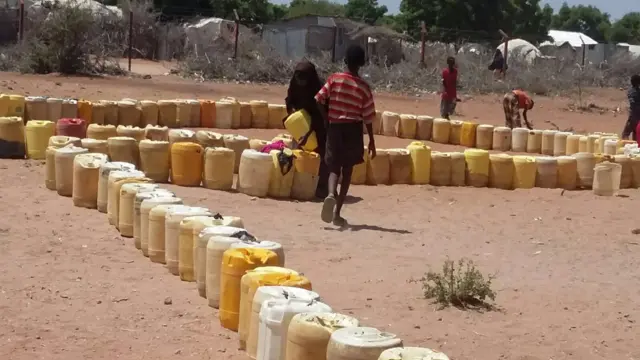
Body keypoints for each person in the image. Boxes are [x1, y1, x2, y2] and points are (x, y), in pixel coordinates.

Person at [315, 44, 376, 226]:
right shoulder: (364, 87)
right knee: (347, 171)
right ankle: (337, 214)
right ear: (362, 63)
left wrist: (326, 118)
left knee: (333, 167)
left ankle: (330, 194)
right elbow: (368, 117)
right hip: (353, 130)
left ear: (345, 61)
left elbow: (318, 99)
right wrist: (372, 140)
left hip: (335, 127)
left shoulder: (334, 79)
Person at [284, 60, 329, 198]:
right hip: (302, 122)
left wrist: (308, 133)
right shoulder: (294, 85)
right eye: (297, 78)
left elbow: (320, 114)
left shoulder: (318, 88)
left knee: (320, 153)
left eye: (303, 78)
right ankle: (301, 185)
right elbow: (289, 99)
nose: (300, 81)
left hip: (319, 123)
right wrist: (292, 113)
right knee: (300, 153)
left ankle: (321, 186)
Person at [621, 74, 640, 141]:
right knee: (636, 135)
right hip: (638, 117)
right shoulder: (637, 92)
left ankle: (625, 148)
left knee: (625, 134)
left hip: (633, 117)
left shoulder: (630, 92)